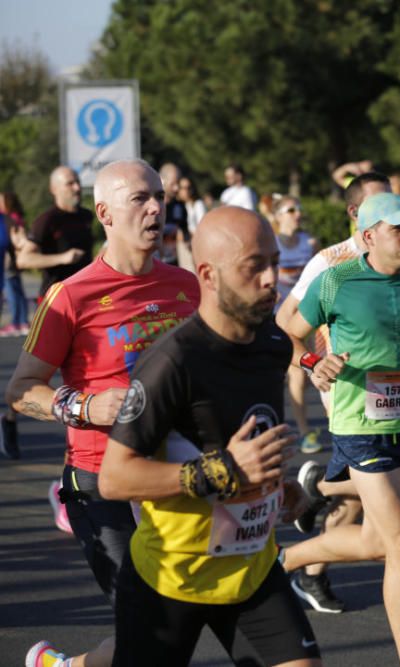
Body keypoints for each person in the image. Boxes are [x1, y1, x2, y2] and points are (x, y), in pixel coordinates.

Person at [94, 205, 319, 667]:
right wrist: (224, 471)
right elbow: (114, 479)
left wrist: (276, 486)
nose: (271, 279)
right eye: (254, 266)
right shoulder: (173, 361)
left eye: (274, 262)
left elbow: (243, 438)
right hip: (172, 577)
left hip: (250, 569)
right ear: (208, 275)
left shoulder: (274, 346)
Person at [8, 159, 199, 667]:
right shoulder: (70, 295)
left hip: (175, 474)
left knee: (167, 634)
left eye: (158, 195)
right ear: (104, 213)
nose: (156, 206)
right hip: (100, 482)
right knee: (150, 631)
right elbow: (22, 390)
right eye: (140, 198)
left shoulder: (188, 286)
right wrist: (86, 405)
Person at [282, 193, 400, 666]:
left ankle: (288, 560)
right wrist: (314, 361)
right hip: (358, 425)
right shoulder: (335, 281)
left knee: (379, 545)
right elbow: (285, 330)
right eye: (397, 229)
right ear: (368, 236)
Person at [274, 172, 391, 612]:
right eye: (380, 207)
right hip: (349, 394)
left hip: (397, 396)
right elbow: (286, 324)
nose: (391, 217)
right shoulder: (331, 262)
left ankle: (311, 551)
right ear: (355, 214)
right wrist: (310, 363)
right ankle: (316, 500)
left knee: (370, 502)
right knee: (388, 519)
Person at [274, 195, 319, 450]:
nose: (297, 213)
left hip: (306, 317)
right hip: (279, 316)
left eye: (299, 208)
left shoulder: (309, 242)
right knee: (297, 372)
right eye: (291, 210)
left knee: (308, 371)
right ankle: (303, 431)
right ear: (278, 216)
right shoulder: (273, 243)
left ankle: (305, 431)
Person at [17, 167, 92, 299]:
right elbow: (23, 260)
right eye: (70, 184)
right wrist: (62, 258)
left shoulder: (87, 216)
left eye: (78, 182)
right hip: (55, 299)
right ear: (54, 189)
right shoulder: (47, 220)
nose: (77, 188)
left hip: (85, 294)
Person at [0, 190, 30, 337]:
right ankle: (22, 321)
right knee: (18, 291)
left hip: (8, 260)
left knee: (12, 291)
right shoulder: (17, 217)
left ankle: (17, 322)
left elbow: (13, 242)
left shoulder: (9, 219)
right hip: (15, 259)